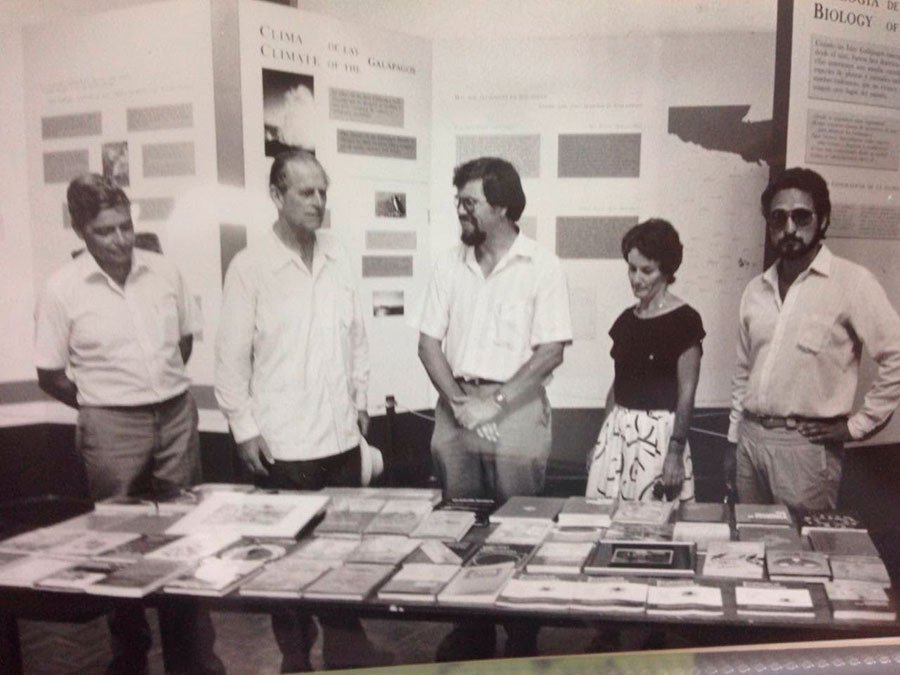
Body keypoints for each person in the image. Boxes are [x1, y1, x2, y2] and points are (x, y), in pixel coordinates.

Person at [34, 174, 222, 675]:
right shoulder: (61, 290)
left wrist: (156, 391)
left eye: (126, 226)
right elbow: (50, 374)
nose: (120, 240)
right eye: (105, 231)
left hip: (176, 415)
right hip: (110, 426)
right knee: (120, 546)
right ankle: (130, 651)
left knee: (185, 535)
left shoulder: (164, 272)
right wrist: (102, 404)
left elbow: (182, 343)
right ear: (80, 231)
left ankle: (192, 654)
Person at [214, 149, 392, 672]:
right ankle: (296, 656)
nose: (318, 202)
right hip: (284, 444)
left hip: (339, 437)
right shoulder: (251, 267)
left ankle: (344, 648)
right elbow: (229, 360)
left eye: (323, 192)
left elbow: (357, 336)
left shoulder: (338, 255)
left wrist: (360, 401)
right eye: (305, 192)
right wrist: (245, 431)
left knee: (342, 553)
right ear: (276, 195)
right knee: (289, 565)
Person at [414, 156, 572, 660]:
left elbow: (551, 349)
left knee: (517, 526)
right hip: (457, 407)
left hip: (517, 410)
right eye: (458, 202)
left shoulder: (541, 265)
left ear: (501, 206)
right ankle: (473, 629)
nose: (460, 212)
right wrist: (461, 404)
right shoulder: (448, 263)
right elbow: (428, 344)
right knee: (460, 525)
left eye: (469, 203)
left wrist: (495, 404)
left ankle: (522, 634)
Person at [726, 167, 900, 513]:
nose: (789, 229)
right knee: (746, 549)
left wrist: (855, 427)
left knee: (801, 559)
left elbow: (897, 355)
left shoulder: (852, 283)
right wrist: (733, 441)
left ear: (823, 220)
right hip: (749, 441)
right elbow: (743, 372)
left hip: (805, 450)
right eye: (778, 218)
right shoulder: (755, 290)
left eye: (801, 217)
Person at [586, 219, 703, 503]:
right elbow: (618, 386)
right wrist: (601, 442)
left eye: (646, 271)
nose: (636, 279)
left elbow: (687, 393)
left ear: (666, 270)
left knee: (653, 527)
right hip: (617, 435)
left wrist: (675, 452)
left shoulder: (685, 320)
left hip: (659, 438)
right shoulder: (626, 321)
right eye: (631, 268)